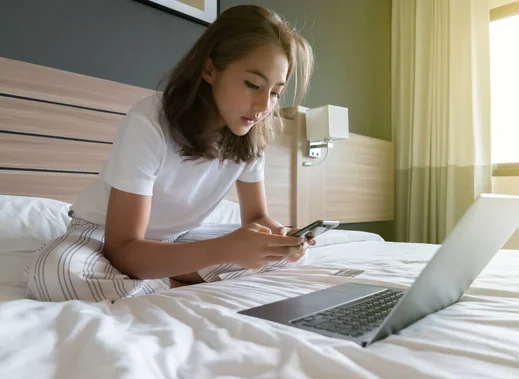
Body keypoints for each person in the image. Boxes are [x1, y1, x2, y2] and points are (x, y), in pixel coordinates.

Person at [26, 5, 315, 302]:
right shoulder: (149, 122)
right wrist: (225, 250)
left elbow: (256, 217)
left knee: (283, 257)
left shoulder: (250, 137)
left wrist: (281, 236)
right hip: (103, 235)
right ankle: (177, 282)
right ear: (209, 69)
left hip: (176, 240)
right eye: (253, 84)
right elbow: (122, 248)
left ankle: (156, 279)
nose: (264, 105)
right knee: (57, 274)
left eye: (275, 92)